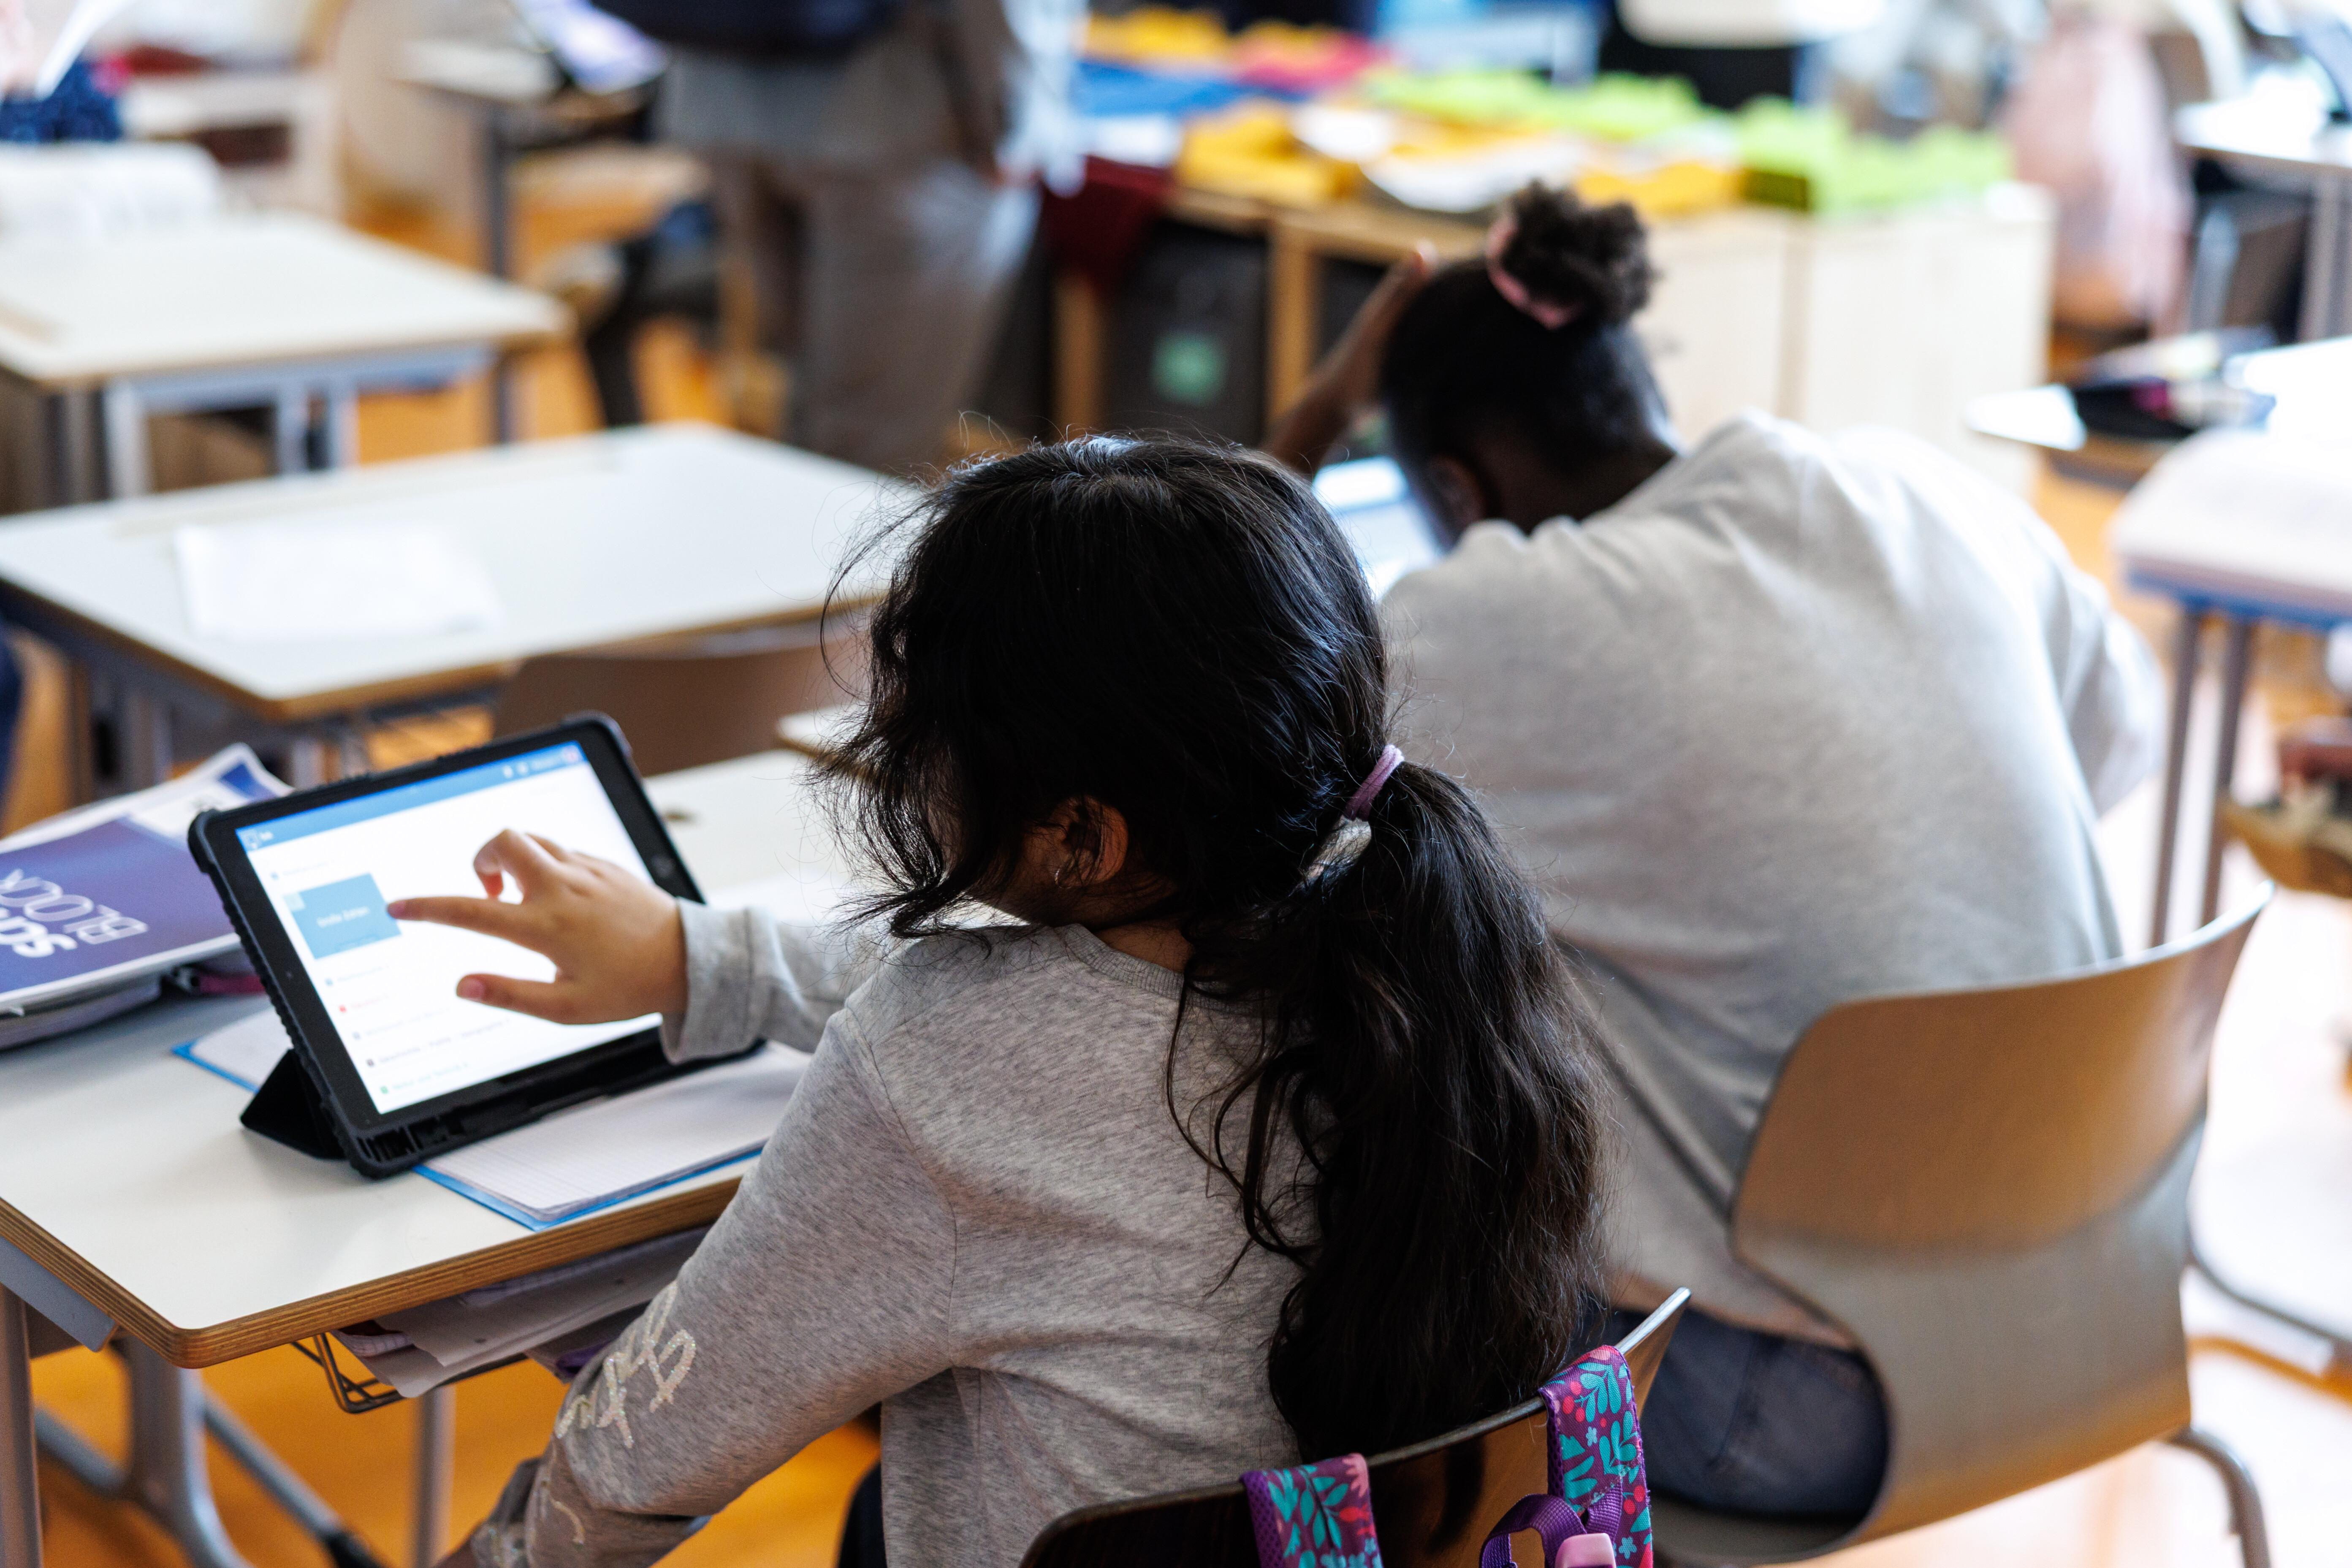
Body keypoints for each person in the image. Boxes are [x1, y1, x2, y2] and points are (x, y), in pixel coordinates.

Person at [399, 438, 1613, 1568]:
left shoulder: (938, 1054)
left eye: (920, 730)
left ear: (1079, 836)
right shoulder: (1428, 968)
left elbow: (635, 1470)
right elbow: (1064, 1037)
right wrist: (700, 960)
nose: (893, 749)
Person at [1267, 185, 2164, 1518]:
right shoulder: (1921, 490)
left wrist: (1313, 423)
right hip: (2103, 1300)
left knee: (1315, 1179)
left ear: (1458, 487)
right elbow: (2120, 739)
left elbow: (1209, 685)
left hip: (1801, 1397)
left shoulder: (1502, 613)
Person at [652, 0, 1082, 473]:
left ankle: (797, 538)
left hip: (722, 105)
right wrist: (1017, 129)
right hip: (898, 120)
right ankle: (837, 546)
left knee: (805, 400)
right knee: (869, 442)